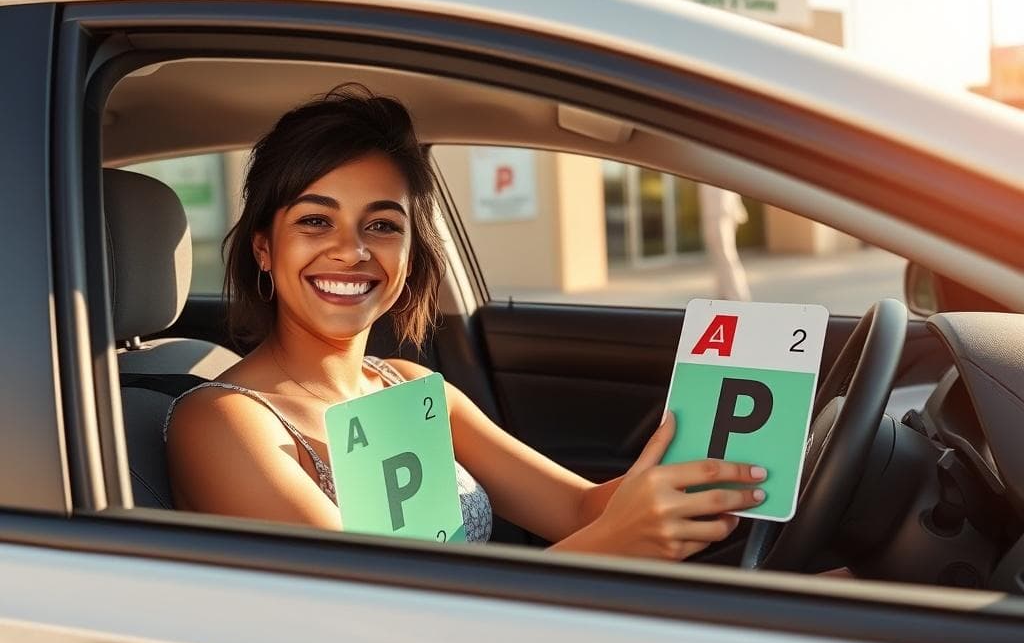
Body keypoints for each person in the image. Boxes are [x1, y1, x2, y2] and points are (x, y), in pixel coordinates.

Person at [165, 85, 767, 559]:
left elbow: (582, 511)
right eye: (316, 222)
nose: (352, 250)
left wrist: (701, 477)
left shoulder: (407, 388)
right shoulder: (223, 422)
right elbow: (376, 622)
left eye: (382, 225)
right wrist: (620, 540)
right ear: (264, 248)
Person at [698, 183, 751, 301]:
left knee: (726, 255)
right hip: (716, 213)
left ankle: (737, 296)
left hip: (721, 213)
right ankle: (723, 294)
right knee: (719, 256)